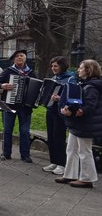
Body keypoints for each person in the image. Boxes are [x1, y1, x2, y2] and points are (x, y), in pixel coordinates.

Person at [55, 59, 102, 188]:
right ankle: (70, 174)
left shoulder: (92, 87)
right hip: (80, 124)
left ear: (88, 70)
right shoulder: (86, 84)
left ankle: (87, 178)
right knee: (71, 149)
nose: (78, 70)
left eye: (81, 68)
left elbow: (90, 106)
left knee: (84, 151)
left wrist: (77, 112)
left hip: (86, 124)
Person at [0, 49, 37, 162]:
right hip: (9, 105)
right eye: (17, 56)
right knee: (7, 130)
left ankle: (25, 155)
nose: (20, 58)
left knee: (24, 131)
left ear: (25, 58)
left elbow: (38, 86)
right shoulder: (8, 71)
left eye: (22, 56)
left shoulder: (31, 72)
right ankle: (6, 153)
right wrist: (2, 85)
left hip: (25, 107)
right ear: (14, 59)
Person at [43, 56, 75, 175]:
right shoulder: (54, 78)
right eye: (52, 66)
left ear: (62, 66)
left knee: (59, 137)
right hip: (50, 110)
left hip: (61, 112)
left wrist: (60, 98)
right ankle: (54, 161)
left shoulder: (71, 78)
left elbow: (73, 95)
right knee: (50, 137)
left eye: (55, 66)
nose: (53, 68)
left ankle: (62, 163)